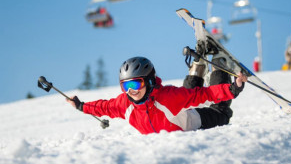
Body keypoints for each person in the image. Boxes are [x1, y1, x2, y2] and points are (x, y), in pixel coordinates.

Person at [67, 56, 247, 134]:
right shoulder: (125, 104)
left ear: (149, 81)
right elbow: (104, 107)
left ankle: (218, 64)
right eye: (126, 85)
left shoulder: (167, 97)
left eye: (136, 83)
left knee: (221, 114)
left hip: (196, 123)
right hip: (180, 113)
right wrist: (81, 106)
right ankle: (197, 65)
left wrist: (232, 89)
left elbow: (204, 94)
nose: (132, 90)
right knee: (187, 95)